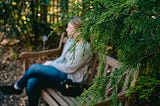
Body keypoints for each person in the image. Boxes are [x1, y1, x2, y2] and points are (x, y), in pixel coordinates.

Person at [0, 17, 92, 106]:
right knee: (32, 81)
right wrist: (51, 66)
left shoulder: (85, 47)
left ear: (78, 31)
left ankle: (17, 87)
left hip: (72, 79)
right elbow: (61, 58)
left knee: (34, 68)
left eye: (69, 28)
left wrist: (51, 64)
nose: (66, 30)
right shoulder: (72, 40)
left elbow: (71, 67)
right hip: (63, 72)